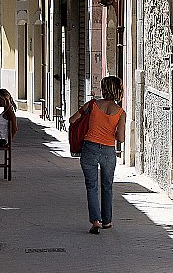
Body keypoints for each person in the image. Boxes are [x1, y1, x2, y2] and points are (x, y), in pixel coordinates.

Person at [69, 76, 126, 234]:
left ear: (104, 89)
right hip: (108, 150)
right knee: (107, 187)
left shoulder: (92, 105)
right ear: (118, 91)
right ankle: (107, 221)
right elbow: (120, 138)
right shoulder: (121, 112)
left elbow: (72, 119)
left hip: (89, 148)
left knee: (91, 186)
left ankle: (96, 220)